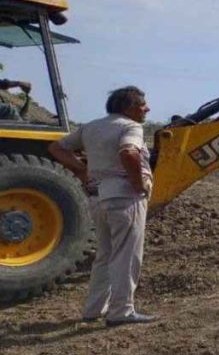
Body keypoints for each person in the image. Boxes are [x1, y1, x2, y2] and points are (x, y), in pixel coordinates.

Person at [47, 86, 156, 326]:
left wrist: (82, 170)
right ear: (128, 108)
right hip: (125, 198)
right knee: (126, 255)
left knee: (105, 255)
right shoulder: (131, 127)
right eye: (142, 104)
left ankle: (94, 309)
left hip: (98, 198)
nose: (147, 108)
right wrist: (139, 185)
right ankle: (122, 312)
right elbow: (129, 152)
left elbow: (56, 148)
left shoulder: (91, 127)